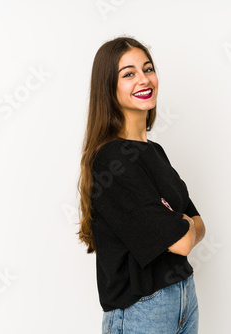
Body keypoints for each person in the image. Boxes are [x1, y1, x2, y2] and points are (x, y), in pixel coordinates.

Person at [77, 36, 206, 333]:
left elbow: (197, 223)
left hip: (184, 298)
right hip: (144, 309)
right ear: (109, 88)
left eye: (147, 69)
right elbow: (184, 241)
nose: (144, 79)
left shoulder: (156, 152)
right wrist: (180, 223)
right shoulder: (111, 159)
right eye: (129, 74)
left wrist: (179, 221)